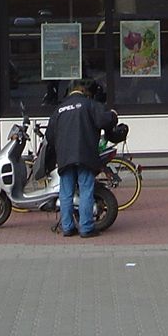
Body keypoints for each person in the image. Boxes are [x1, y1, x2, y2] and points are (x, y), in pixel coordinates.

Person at [47, 79, 116, 238]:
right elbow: (104, 120)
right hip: (85, 154)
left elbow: (50, 136)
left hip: (65, 157)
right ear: (84, 91)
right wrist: (113, 115)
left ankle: (67, 227)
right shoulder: (89, 105)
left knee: (66, 193)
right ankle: (86, 228)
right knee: (86, 191)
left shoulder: (59, 109)